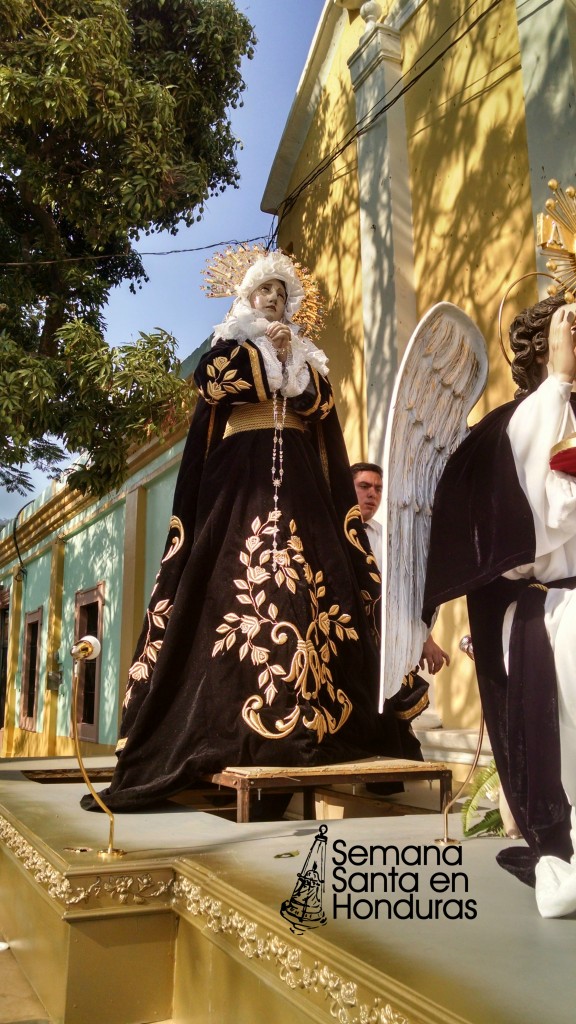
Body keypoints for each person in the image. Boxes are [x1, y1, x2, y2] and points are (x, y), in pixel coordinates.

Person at [84, 251, 413, 813]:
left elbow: (322, 410)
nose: (274, 303)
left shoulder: (309, 356)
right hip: (240, 477)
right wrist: (267, 360)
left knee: (314, 586)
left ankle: (310, 709)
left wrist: (295, 368)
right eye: (266, 293)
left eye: (283, 296)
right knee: (223, 581)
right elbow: (213, 384)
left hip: (303, 484)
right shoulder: (229, 346)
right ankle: (217, 719)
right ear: (247, 298)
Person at [423, 291, 576, 913]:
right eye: (571, 332)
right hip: (546, 612)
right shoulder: (511, 425)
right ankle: (562, 847)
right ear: (546, 348)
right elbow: (538, 519)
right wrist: (560, 381)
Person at [351, 462, 450, 676]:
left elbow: (400, 594)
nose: (372, 494)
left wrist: (424, 637)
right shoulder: (330, 534)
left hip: (381, 646)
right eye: (364, 486)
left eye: (378, 489)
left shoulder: (388, 538)